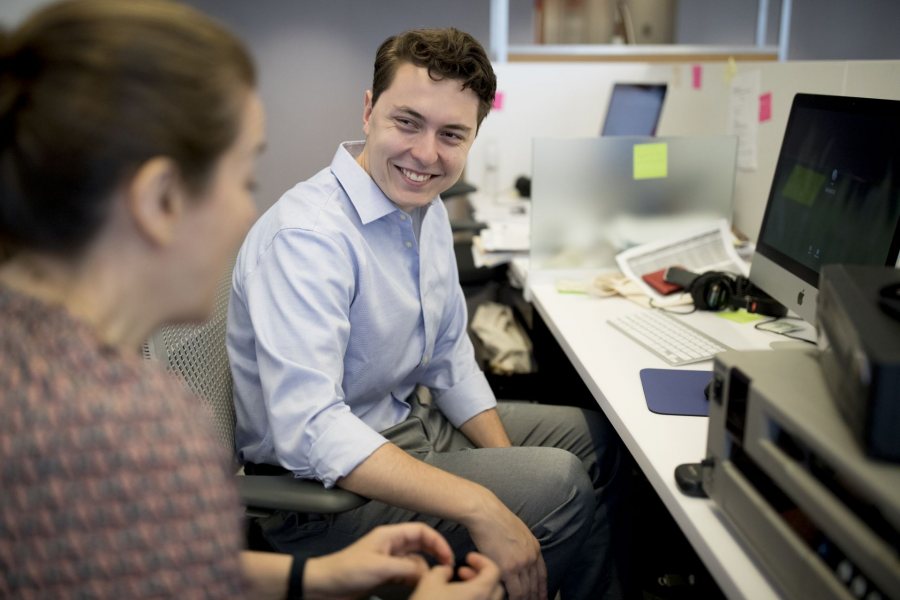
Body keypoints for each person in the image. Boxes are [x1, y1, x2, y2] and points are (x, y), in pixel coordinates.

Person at [0, 2, 503, 598]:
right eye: (243, 178)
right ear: (159, 200)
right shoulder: (124, 434)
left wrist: (310, 579)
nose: (249, 213)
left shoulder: (38, 368)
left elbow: (149, 574)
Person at [227, 27, 626, 600]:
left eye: (452, 135)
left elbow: (449, 361)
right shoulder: (308, 238)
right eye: (407, 122)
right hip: (328, 499)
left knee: (596, 442)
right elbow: (311, 430)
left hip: (410, 427)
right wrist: (486, 502)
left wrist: (509, 475)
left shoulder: (424, 207)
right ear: (368, 110)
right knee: (559, 484)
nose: (425, 154)